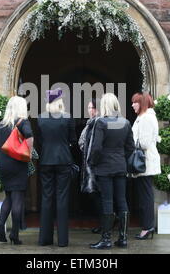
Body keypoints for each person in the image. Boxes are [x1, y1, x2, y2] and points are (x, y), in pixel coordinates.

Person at [88, 93, 135, 249]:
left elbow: (96, 148)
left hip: (104, 168)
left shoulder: (101, 122)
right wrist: (121, 158)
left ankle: (106, 239)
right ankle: (123, 239)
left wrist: (93, 163)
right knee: (122, 201)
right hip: (120, 166)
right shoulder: (126, 123)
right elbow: (130, 148)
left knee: (107, 201)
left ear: (104, 106)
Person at [36, 88, 76, 247]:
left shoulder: (41, 118)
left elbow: (40, 141)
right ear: (60, 101)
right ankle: (62, 240)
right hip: (63, 160)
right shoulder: (67, 118)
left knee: (46, 198)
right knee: (62, 199)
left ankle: (44, 239)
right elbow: (72, 140)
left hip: (46, 160)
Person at [0, 96, 34, 245]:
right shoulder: (23, 122)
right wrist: (28, 153)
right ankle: (14, 234)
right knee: (17, 199)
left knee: (8, 197)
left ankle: (0, 229)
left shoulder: (1, 125)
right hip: (17, 164)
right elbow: (29, 136)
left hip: (3, 165)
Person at [130, 92, 161, 240]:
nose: (132, 105)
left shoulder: (146, 118)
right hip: (144, 162)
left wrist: (130, 142)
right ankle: (147, 226)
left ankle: (148, 227)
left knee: (146, 196)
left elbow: (144, 143)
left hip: (146, 162)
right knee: (144, 196)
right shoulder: (142, 118)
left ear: (141, 103)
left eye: (135, 102)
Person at [78, 98, 102, 234]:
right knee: (94, 195)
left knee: (98, 195)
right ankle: (104, 222)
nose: (88, 110)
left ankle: (107, 222)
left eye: (90, 107)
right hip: (89, 165)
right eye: (87, 107)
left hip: (95, 165)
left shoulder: (98, 123)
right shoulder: (90, 123)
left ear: (97, 109)